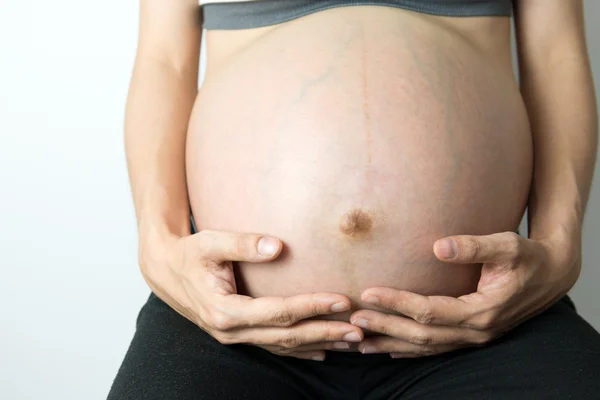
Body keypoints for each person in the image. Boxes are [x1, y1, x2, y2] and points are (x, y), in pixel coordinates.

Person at [108, 0, 600, 399]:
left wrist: (560, 245)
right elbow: (164, 60)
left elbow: (555, 53)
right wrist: (158, 242)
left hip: (487, 320)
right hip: (233, 321)